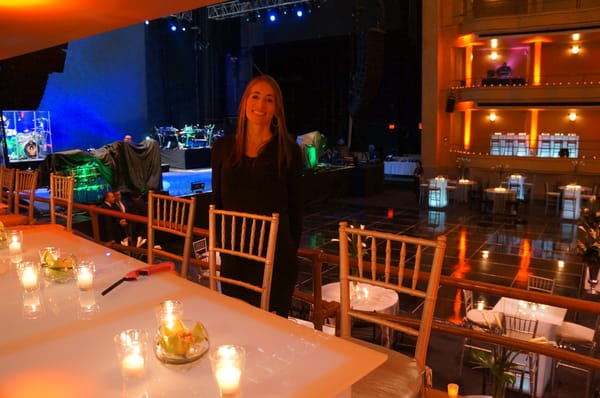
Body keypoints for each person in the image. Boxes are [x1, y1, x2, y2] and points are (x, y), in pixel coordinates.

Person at [211, 75, 304, 317]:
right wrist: (223, 248)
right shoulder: (222, 148)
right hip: (234, 256)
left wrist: (289, 253)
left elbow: (296, 208)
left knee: (273, 331)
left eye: (269, 100)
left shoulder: (288, 150)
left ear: (277, 109)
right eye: (255, 96)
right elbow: (218, 202)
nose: (260, 105)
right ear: (244, 102)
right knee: (236, 326)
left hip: (276, 257)